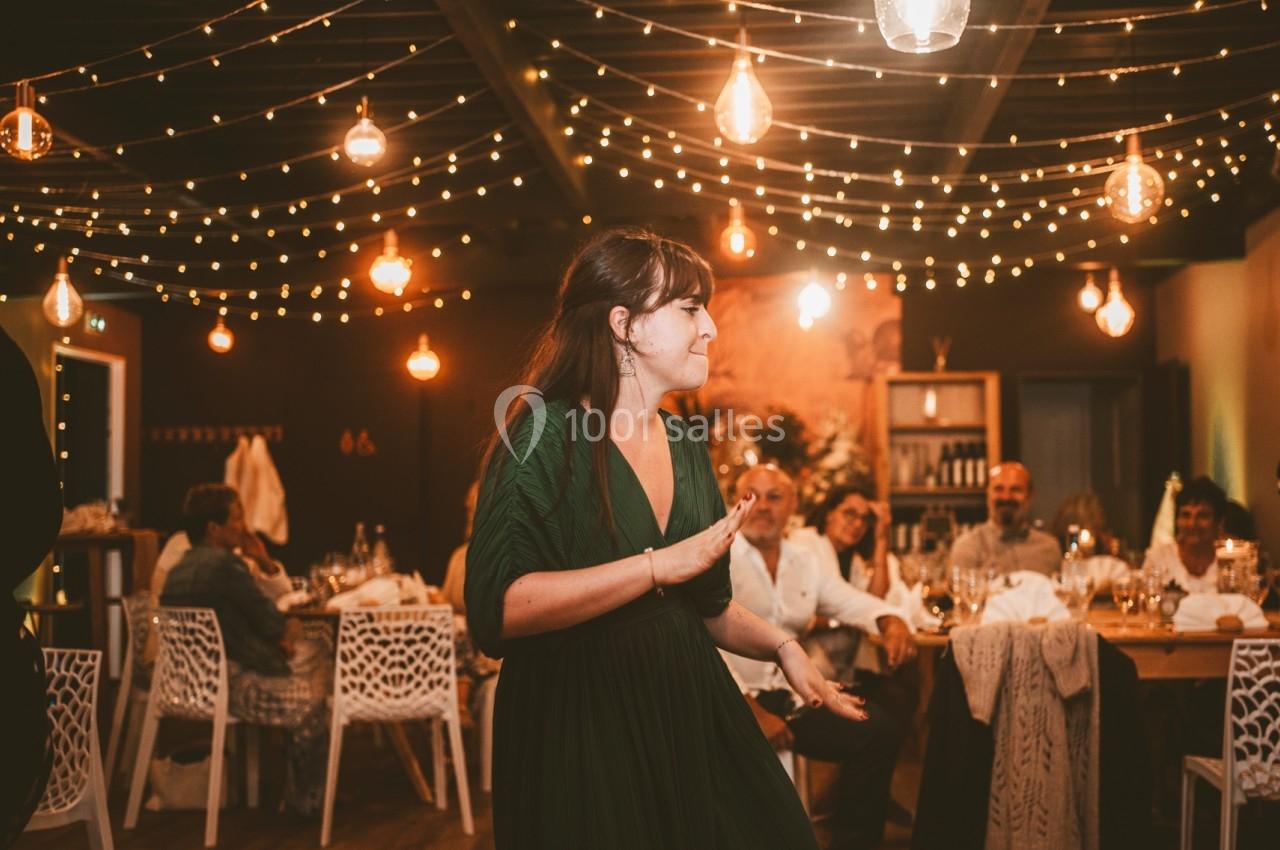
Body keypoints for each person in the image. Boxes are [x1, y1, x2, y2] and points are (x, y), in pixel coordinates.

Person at [465, 227, 863, 850]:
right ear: (625, 323)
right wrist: (653, 566)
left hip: (685, 705)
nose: (709, 328)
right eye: (689, 308)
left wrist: (784, 647)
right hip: (582, 721)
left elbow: (704, 607)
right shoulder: (543, 437)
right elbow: (499, 609)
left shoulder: (685, 443)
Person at [728, 464, 916, 850]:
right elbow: (702, 640)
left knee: (877, 731)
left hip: (793, 696)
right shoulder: (718, 555)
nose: (762, 506)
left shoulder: (804, 562)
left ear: (793, 505)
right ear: (735, 501)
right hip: (730, 699)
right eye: (752, 495)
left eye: (775, 497)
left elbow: (849, 600)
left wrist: (890, 618)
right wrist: (751, 710)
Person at [160, 483, 328, 816]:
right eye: (236, 519)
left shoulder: (178, 571)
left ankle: (296, 792)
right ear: (213, 528)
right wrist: (285, 631)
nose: (244, 527)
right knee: (314, 702)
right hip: (232, 685)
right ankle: (304, 802)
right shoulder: (225, 567)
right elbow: (271, 622)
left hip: (186, 684)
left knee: (306, 662)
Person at [950, 461, 1061, 575]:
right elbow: (961, 591)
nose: (1006, 497)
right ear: (988, 494)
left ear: (1029, 496)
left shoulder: (1050, 548)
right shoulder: (968, 547)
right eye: (998, 489)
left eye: (1016, 489)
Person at [790, 483, 897, 597]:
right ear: (829, 513)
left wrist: (881, 539)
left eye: (864, 519)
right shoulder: (805, 541)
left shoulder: (853, 561)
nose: (858, 524)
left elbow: (874, 600)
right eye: (850, 513)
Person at [1142, 476, 1228, 593]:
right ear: (1177, 520)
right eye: (1186, 515)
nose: (1192, 524)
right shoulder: (1158, 559)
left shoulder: (1230, 563)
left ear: (1218, 522)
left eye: (1203, 516)